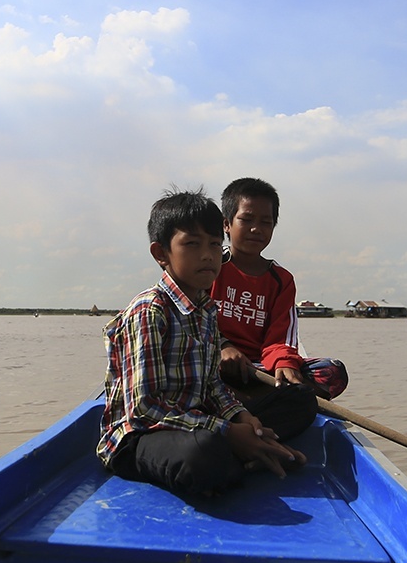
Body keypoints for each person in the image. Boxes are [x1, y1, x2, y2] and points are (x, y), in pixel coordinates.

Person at [97, 187, 306, 497]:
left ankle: (248, 450)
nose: (207, 255)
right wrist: (227, 432)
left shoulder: (206, 311)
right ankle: (246, 453)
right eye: (192, 244)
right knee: (204, 453)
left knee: (301, 400)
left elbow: (213, 387)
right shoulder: (149, 311)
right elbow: (145, 408)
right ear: (161, 254)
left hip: (196, 421)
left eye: (213, 244)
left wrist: (242, 417)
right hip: (142, 435)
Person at [212, 177, 349, 437]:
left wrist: (285, 364)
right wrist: (223, 346)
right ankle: (253, 404)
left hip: (259, 370)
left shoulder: (281, 280)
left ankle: (244, 401)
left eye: (266, 222)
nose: (256, 229)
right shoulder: (211, 267)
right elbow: (192, 321)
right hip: (216, 364)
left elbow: (280, 337)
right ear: (227, 224)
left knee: (332, 371)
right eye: (247, 220)